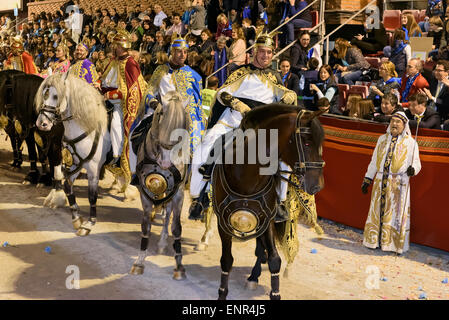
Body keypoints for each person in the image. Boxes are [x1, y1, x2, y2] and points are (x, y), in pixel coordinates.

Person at [188, 33, 298, 221]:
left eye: (269, 52)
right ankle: (199, 198)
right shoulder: (240, 71)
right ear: (255, 52)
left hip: (262, 127)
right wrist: (237, 104)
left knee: (285, 159)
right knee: (204, 147)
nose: (265, 56)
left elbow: (287, 95)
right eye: (262, 51)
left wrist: (289, 96)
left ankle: (279, 202)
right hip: (232, 121)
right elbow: (222, 93)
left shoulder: (275, 77)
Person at [129, 36, 206, 177]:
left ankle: (191, 179)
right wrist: (154, 103)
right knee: (135, 132)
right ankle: (135, 171)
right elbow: (149, 92)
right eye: (179, 51)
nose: (182, 55)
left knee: (198, 143)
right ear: (172, 51)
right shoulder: (160, 70)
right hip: (160, 111)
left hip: (183, 115)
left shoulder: (194, 76)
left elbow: (196, 103)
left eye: (185, 52)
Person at [361, 111, 421, 254]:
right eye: (392, 121)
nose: (394, 124)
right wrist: (368, 179)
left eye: (398, 122)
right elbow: (374, 161)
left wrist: (414, 170)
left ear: (404, 125)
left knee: (395, 215)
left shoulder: (411, 143)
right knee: (376, 212)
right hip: (380, 182)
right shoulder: (382, 139)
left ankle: (392, 245)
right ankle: (374, 241)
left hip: (399, 184)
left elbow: (417, 163)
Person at [98, 30, 147, 187]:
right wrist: (99, 85)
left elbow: (133, 90)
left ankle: (118, 157)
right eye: (117, 46)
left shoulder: (131, 63)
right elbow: (105, 79)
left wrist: (111, 95)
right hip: (105, 100)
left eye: (120, 47)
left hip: (121, 105)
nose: (118, 49)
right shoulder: (112, 61)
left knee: (116, 126)